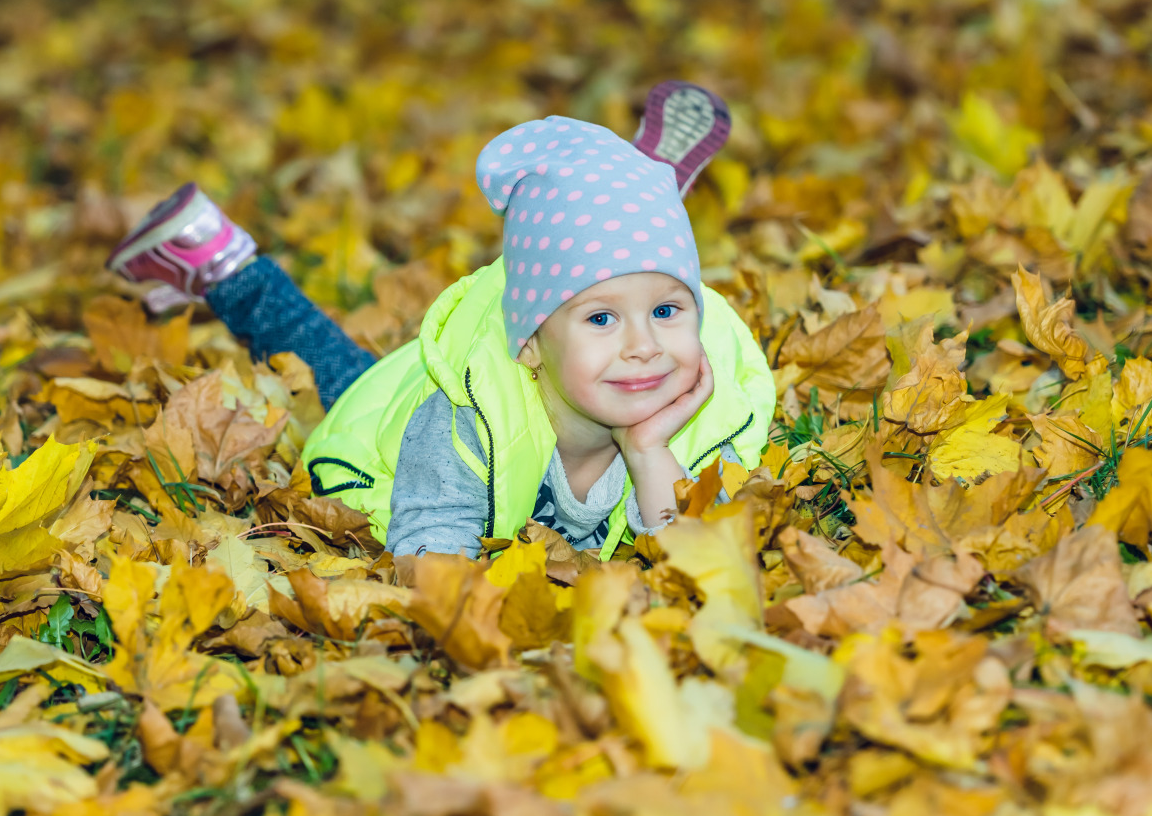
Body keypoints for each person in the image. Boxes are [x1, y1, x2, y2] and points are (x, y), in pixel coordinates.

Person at [107, 82, 774, 560]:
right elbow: (430, 558)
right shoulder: (458, 424)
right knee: (336, 376)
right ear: (532, 348)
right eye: (602, 319)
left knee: (601, 274)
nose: (643, 349)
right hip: (393, 426)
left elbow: (696, 566)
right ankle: (217, 259)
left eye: (666, 311)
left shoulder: (703, 399)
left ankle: (628, 189)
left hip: (539, 302)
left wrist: (649, 450)